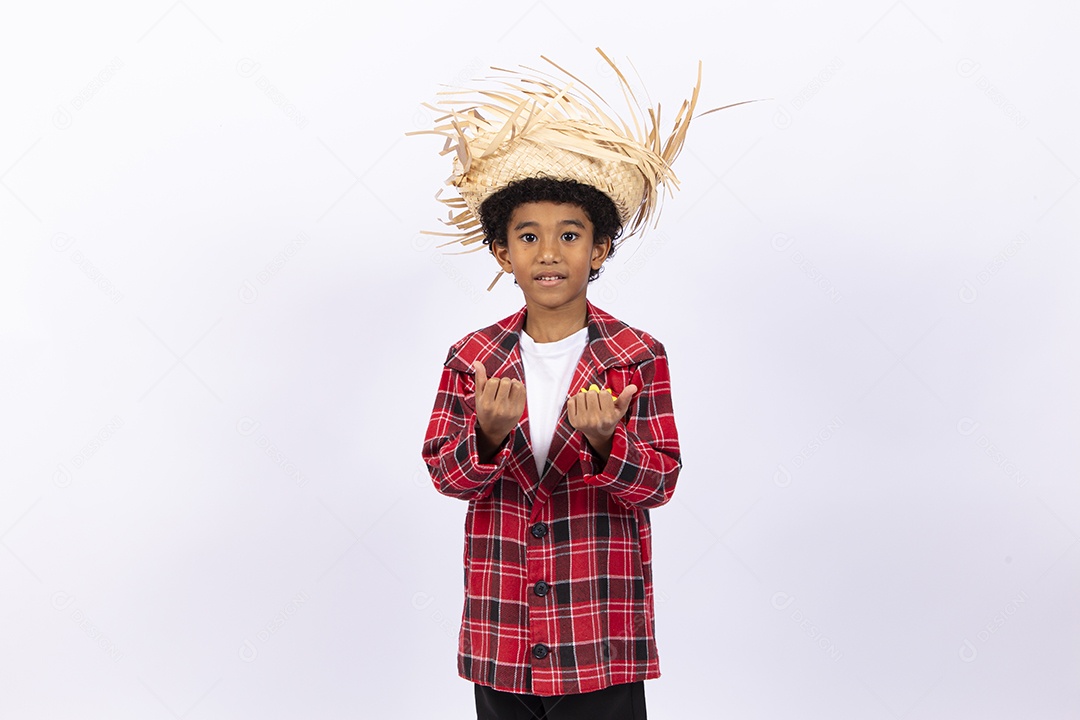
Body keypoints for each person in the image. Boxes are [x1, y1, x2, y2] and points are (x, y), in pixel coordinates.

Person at [417, 48, 742, 719]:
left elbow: (659, 483)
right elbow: (446, 477)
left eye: (570, 236)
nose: (549, 253)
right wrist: (486, 433)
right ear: (503, 252)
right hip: (505, 633)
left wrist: (604, 445)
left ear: (598, 251)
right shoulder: (472, 357)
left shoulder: (636, 355)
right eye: (528, 236)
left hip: (600, 637)